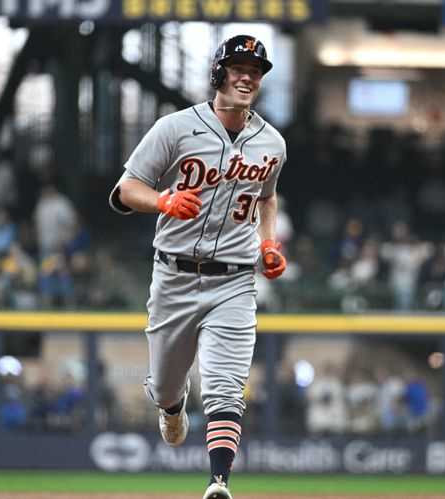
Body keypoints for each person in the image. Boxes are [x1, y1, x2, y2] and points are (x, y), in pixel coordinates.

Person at [109, 34, 286, 499]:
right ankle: (170, 406)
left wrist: (268, 243)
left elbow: (266, 197)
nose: (247, 76)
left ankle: (218, 483)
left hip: (234, 279)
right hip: (174, 275)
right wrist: (163, 200)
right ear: (218, 73)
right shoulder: (175, 128)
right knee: (167, 386)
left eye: (256, 70)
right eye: (238, 67)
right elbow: (127, 189)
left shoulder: (272, 142)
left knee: (226, 388)